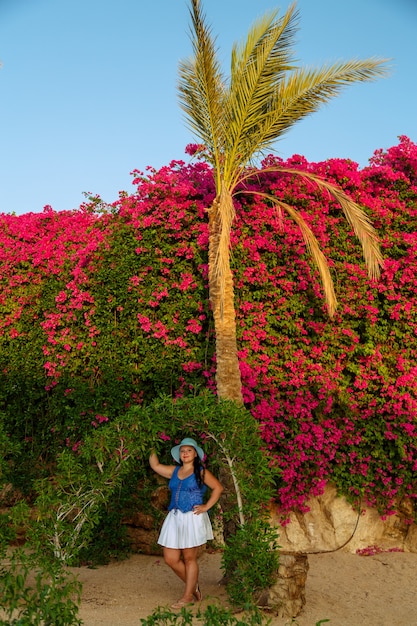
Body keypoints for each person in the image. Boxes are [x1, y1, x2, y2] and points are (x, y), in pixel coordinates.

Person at [149, 437, 223, 609]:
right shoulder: (174, 471)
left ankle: (188, 595)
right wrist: (149, 440)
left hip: (192, 517)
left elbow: (218, 488)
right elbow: (155, 465)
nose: (185, 453)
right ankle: (193, 586)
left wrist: (206, 506)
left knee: (189, 558)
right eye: (182, 451)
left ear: (195, 454)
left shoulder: (201, 471)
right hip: (174, 517)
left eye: (189, 450)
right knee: (170, 558)